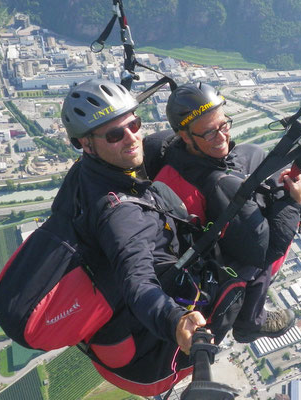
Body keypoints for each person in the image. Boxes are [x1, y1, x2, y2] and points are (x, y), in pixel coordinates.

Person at [147, 82, 301, 343]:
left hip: (208, 206)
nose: (222, 137)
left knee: (260, 156)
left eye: (224, 125)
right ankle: (251, 321)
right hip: (223, 252)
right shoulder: (220, 186)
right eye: (209, 133)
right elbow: (265, 252)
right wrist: (293, 202)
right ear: (185, 136)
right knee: (296, 180)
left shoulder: (169, 153)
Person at [58, 78, 205, 396]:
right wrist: (175, 321)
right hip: (139, 353)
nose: (132, 138)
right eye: (115, 134)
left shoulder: (83, 174)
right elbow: (137, 282)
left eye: (134, 124)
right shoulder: (119, 213)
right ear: (87, 143)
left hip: (106, 326)